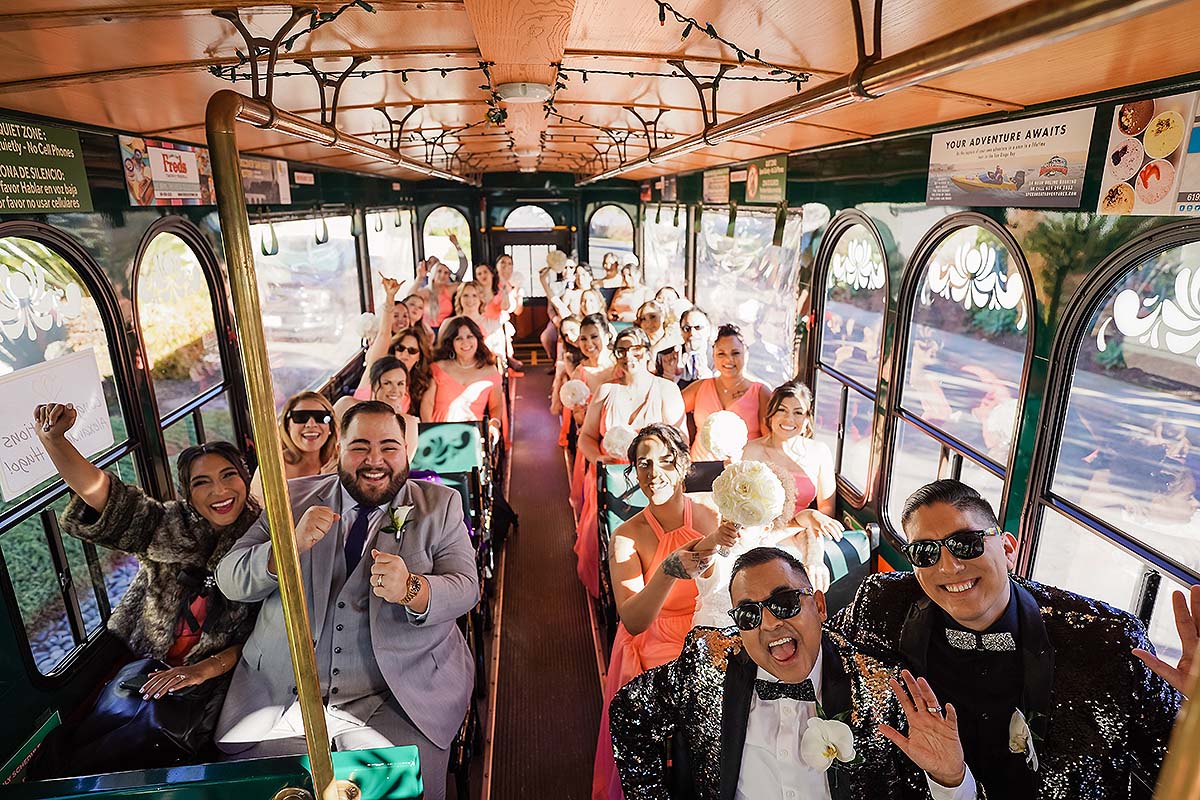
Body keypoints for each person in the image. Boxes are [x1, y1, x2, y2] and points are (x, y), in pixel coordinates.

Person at [832, 479, 1187, 799]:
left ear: (1008, 547)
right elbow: (821, 652)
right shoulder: (883, 606)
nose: (949, 567)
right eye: (926, 553)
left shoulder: (1105, 644)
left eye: (966, 543)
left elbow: (1179, 768)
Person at [214, 402, 479, 800]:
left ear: (405, 451)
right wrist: (287, 546)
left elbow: (465, 587)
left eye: (388, 447)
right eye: (360, 447)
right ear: (338, 447)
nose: (375, 461)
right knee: (269, 789)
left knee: (397, 789)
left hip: (399, 696)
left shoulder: (439, 506)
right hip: (284, 695)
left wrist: (412, 589)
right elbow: (229, 580)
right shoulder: (291, 498)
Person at [609, 546, 980, 800]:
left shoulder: (881, 687)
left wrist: (950, 781)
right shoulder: (707, 664)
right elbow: (627, 712)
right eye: (750, 615)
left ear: (818, 605)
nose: (769, 623)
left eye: (785, 602)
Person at [30, 404, 258, 775]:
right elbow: (103, 493)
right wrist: (54, 440)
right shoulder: (169, 527)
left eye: (229, 476)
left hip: (218, 683)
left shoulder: (263, 544)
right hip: (141, 667)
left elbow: (265, 637)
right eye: (202, 483)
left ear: (244, 480)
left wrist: (202, 670)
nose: (219, 491)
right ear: (187, 493)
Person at [592, 424, 726, 800]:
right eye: (644, 464)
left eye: (666, 462)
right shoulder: (626, 537)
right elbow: (633, 621)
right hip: (654, 639)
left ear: (684, 465)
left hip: (709, 627)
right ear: (633, 472)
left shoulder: (713, 517)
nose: (654, 474)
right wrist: (668, 571)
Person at [575, 327, 687, 596]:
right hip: (610, 478)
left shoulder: (667, 390)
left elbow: (680, 443)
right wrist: (599, 459)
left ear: (647, 353)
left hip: (656, 479)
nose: (629, 356)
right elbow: (586, 438)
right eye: (622, 350)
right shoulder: (605, 392)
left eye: (636, 349)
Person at [740, 381, 844, 590]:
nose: (789, 419)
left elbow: (825, 511)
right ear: (770, 414)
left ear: (807, 419)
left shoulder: (820, 452)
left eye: (798, 412)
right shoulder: (752, 451)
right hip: (761, 536)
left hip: (803, 534)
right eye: (782, 410)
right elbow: (743, 511)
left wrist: (814, 555)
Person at [682, 324, 771, 461]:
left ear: (746, 354)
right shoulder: (700, 387)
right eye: (721, 354)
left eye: (735, 353)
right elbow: (669, 409)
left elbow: (769, 441)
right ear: (714, 355)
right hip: (700, 469)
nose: (728, 360)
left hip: (741, 471)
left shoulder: (760, 392)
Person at [421, 315, 507, 447]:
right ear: (451, 343)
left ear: (477, 339)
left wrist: (494, 425)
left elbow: (496, 407)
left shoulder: (490, 372)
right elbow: (427, 404)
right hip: (438, 436)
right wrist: (430, 432)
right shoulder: (438, 368)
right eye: (458, 338)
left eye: (470, 337)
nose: (465, 342)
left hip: (471, 439)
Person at [250, 391, 339, 505]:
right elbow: (261, 518)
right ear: (288, 426)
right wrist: (323, 482)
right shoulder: (272, 468)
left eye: (320, 417)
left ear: (330, 427)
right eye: (300, 417)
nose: (311, 424)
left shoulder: (340, 462)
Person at [335, 357, 421, 455]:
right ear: (373, 384)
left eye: (400, 384)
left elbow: (404, 464)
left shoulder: (408, 423)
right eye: (387, 383)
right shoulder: (347, 405)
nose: (395, 390)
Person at [455, 279, 506, 358]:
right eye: (465, 295)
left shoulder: (493, 324)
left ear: (481, 299)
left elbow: (499, 354)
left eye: (474, 295)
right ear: (459, 298)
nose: (470, 300)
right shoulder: (450, 324)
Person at [391, 326, 434, 414]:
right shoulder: (381, 373)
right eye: (400, 348)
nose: (405, 353)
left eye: (412, 350)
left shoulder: (423, 383)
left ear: (419, 357)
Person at [677, 307, 715, 387]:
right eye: (687, 328)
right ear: (681, 331)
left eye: (698, 327)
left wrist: (710, 379)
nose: (692, 333)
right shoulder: (667, 358)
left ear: (709, 330)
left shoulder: (721, 357)